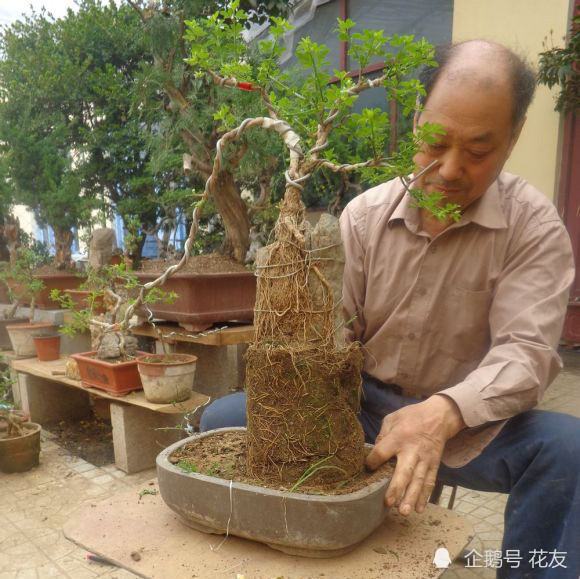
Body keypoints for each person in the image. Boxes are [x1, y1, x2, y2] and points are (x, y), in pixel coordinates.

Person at [201, 40, 579, 578]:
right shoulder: (364, 217)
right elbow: (334, 329)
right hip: (361, 406)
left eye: (477, 151)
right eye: (436, 141)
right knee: (223, 420)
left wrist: (441, 414)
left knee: (569, 453)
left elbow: (527, 354)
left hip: (471, 425)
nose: (449, 169)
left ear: (513, 139)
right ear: (417, 117)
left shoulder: (533, 229)